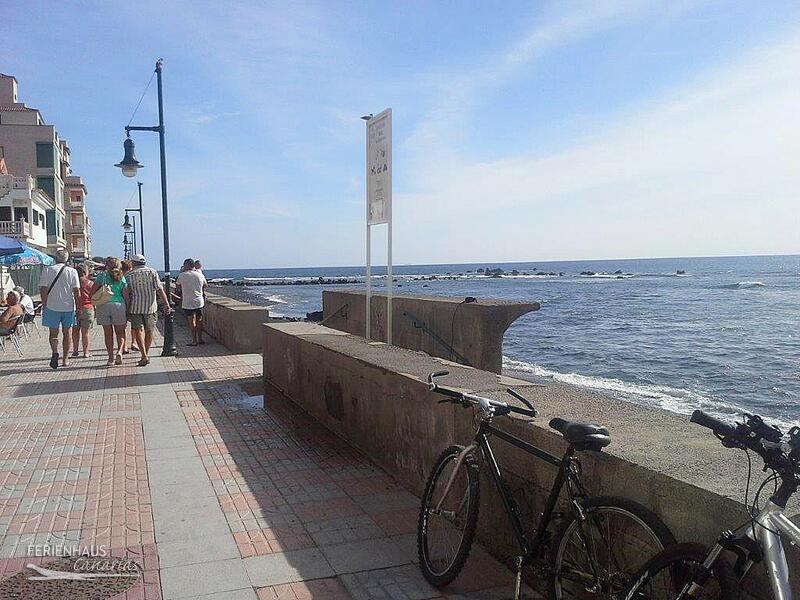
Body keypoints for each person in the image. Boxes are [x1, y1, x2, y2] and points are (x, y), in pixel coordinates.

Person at [124, 254, 171, 366]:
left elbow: (127, 294)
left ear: (133, 263)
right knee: (149, 331)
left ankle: (144, 355)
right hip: (151, 307)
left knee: (138, 330)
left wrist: (126, 308)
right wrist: (166, 304)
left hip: (135, 307)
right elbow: (159, 289)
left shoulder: (129, 276)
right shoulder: (152, 272)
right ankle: (146, 353)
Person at [39, 248, 81, 369]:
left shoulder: (47, 270)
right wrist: (78, 307)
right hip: (68, 307)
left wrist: (44, 303)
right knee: (67, 333)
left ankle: (54, 352)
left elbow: (43, 288)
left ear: (55, 258)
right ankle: (65, 359)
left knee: (53, 333)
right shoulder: (72, 271)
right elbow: (76, 291)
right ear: (66, 259)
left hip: (51, 306)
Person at [91, 256, 128, 366]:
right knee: (120, 332)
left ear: (107, 265)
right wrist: (128, 307)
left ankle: (110, 358)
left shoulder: (102, 276)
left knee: (108, 334)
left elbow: (92, 291)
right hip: (118, 305)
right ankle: (120, 351)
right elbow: (126, 295)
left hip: (103, 305)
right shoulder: (121, 277)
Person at [175, 257, 207, 346]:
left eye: (184, 265)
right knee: (199, 320)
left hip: (188, 302)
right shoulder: (200, 274)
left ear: (187, 265)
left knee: (191, 321)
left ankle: (194, 340)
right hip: (199, 301)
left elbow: (178, 287)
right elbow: (205, 285)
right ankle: (200, 338)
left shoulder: (182, 275)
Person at [70, 264, 94, 358]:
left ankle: (75, 351)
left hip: (75, 308)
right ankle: (86, 352)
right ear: (85, 272)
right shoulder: (90, 283)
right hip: (88, 307)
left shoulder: (73, 283)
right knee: (86, 332)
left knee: (75, 331)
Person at [119, 260, 137, 354]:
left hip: (121, 303)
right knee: (134, 325)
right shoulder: (131, 276)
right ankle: (133, 342)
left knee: (123, 326)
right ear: (130, 268)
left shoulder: (121, 277)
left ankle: (124, 345)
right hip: (133, 303)